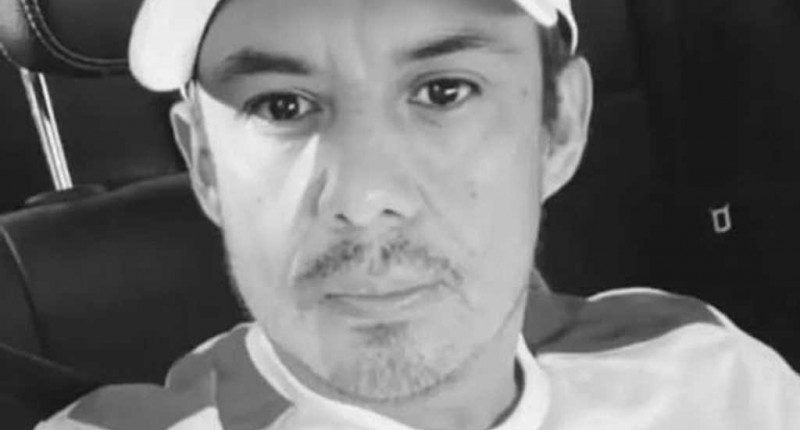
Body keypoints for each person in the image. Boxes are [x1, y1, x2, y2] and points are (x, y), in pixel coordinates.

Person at [37, 0, 800, 428]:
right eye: (281, 106)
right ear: (204, 163)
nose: (364, 198)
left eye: (443, 91)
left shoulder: (712, 376)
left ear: (560, 125)